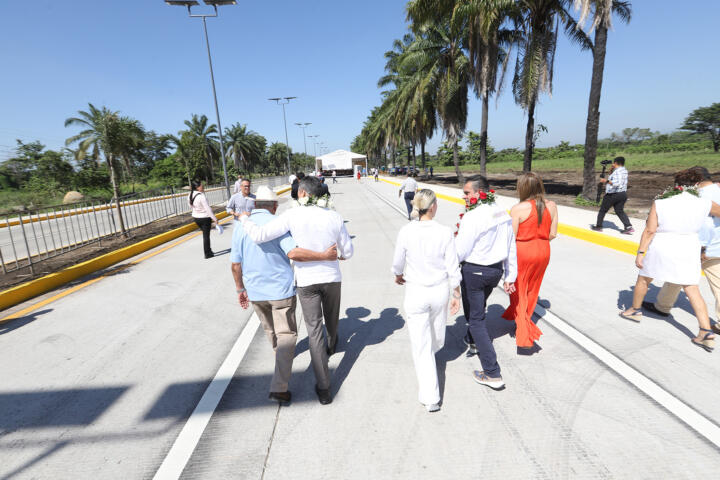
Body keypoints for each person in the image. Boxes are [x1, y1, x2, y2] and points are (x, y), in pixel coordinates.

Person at [238, 176, 354, 404]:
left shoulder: (290, 216)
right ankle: (332, 342)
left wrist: (244, 219)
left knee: (314, 331)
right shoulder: (334, 216)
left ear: (302, 193)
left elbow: (259, 236)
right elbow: (348, 252)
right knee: (332, 321)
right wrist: (336, 254)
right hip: (331, 278)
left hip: (306, 282)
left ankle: (324, 388)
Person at [620, 168, 720, 352]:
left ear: (676, 184)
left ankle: (634, 310)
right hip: (690, 245)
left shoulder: (661, 202)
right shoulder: (704, 202)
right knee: (691, 287)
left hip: (663, 244)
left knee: (644, 278)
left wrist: (640, 252)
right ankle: (705, 330)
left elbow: (650, 230)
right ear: (697, 185)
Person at [392, 190, 461, 412]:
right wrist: (456, 293)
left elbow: (397, 262)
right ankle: (431, 395)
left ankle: (428, 381)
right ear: (432, 207)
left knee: (424, 344)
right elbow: (453, 266)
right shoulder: (445, 232)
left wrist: (398, 274)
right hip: (439, 291)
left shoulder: (406, 231)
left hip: (416, 292)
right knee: (436, 336)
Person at [455, 175, 517, 390]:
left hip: (474, 271)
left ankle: (492, 372)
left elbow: (460, 250)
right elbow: (511, 246)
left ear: (479, 193)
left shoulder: (473, 217)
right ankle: (471, 340)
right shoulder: (502, 212)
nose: (463, 196)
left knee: (476, 318)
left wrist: (450, 270)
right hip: (494, 272)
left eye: (466, 192)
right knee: (478, 309)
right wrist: (510, 275)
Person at [502, 173, 558, 349]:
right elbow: (553, 234)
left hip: (523, 251)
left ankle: (524, 328)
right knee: (533, 289)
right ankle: (523, 317)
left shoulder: (518, 208)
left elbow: (511, 237)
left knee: (518, 291)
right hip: (543, 250)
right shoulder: (552, 205)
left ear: (523, 188)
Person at [591, 156, 634, 234]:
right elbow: (612, 177)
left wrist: (605, 181)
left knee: (603, 210)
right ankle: (628, 227)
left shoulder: (618, 172)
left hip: (613, 194)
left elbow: (617, 183)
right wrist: (611, 169)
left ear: (616, 163)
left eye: (614, 163)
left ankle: (598, 226)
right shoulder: (624, 170)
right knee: (619, 211)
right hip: (622, 194)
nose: (613, 164)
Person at [189, 181, 219, 259]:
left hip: (196, 218)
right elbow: (207, 209)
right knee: (206, 236)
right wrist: (214, 219)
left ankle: (209, 250)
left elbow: (191, 206)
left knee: (205, 235)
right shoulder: (201, 196)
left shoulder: (190, 195)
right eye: (202, 186)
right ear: (197, 187)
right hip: (205, 218)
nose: (203, 187)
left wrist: (197, 211)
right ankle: (207, 254)